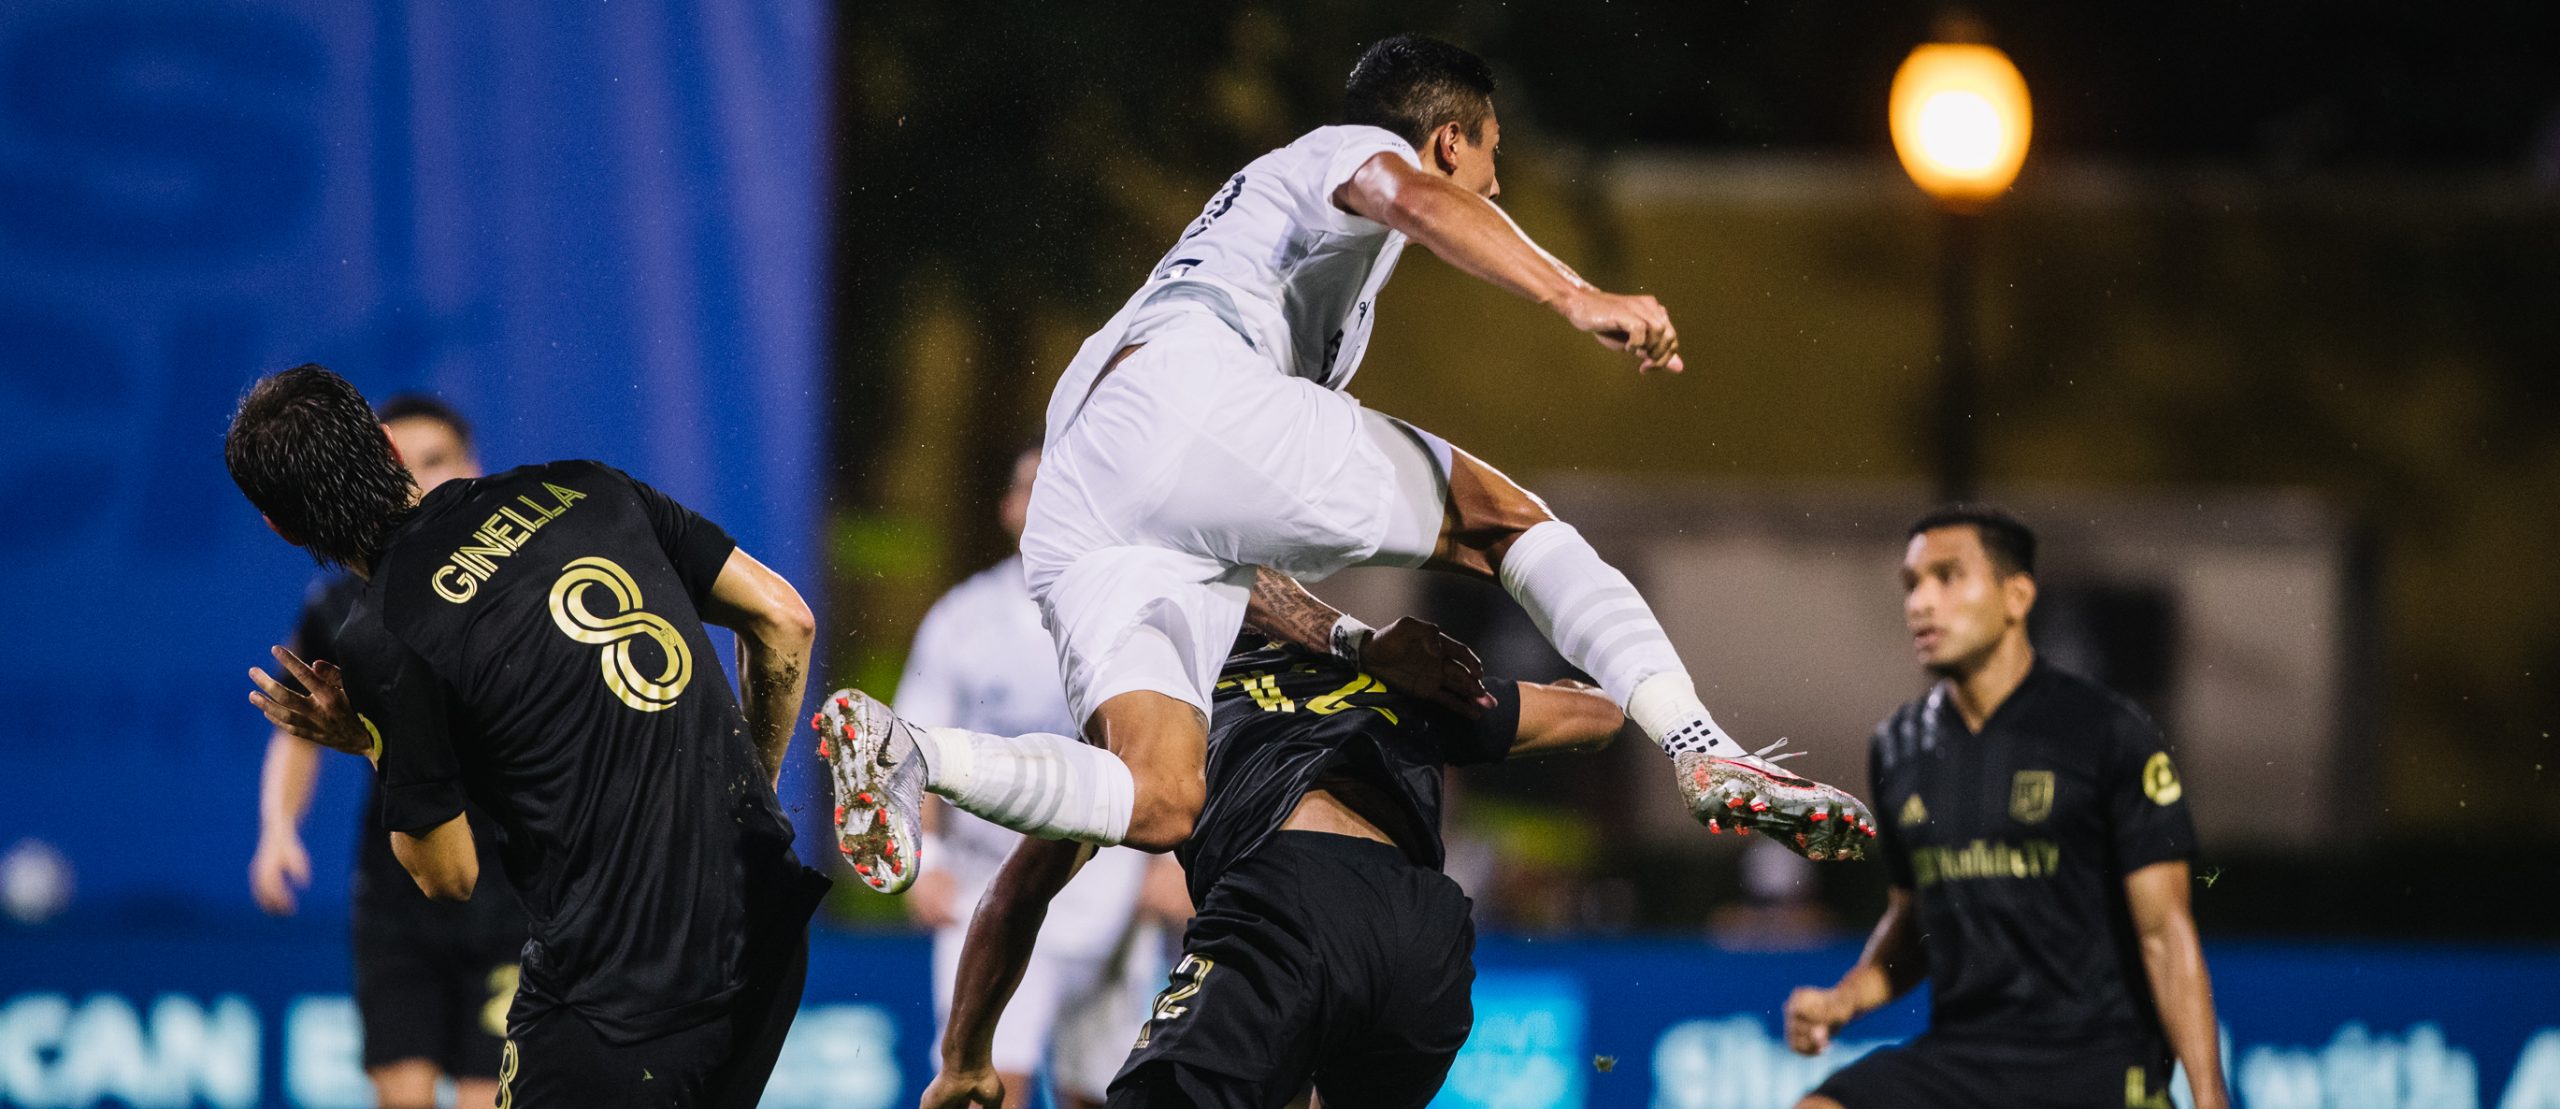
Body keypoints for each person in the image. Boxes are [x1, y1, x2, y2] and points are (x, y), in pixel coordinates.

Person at [819, 32, 1870, 902]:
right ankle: (1700, 744)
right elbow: (1403, 192)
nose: (1495, 182)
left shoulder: (1269, 255)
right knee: (1503, 519)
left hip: (1090, 490)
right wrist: (1573, 294)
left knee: (1160, 795)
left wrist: (1356, 638)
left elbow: (1224, 515)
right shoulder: (1346, 152)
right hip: (1181, 390)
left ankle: (915, 752)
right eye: (1492, 157)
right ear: (1449, 138)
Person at [228, 364, 830, 1108]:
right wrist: (751, 798)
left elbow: (448, 875)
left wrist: (370, 740)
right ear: (388, 446)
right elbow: (784, 619)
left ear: (279, 526)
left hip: (618, 994)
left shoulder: (383, 634)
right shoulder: (587, 486)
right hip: (764, 924)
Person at [921, 628, 1637, 1109]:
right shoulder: (1389, 676)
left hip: (1284, 907)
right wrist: (1586, 685)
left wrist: (963, 1057)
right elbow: (1597, 717)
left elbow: (1016, 893)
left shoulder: (1152, 715)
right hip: (1425, 936)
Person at [1781, 507, 2229, 1109]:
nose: (1920, 602)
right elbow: (1913, 922)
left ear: (2016, 596)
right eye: (1912, 584)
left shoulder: (2105, 731)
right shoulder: (1897, 747)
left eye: (1947, 577)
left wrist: (2209, 1097)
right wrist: (1846, 999)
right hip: (1964, 1060)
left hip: (2094, 1059)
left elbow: (2164, 935)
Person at [247, 395, 527, 1109]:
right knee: (401, 1097)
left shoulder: (518, 594)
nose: (419, 481)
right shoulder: (340, 610)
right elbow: (295, 728)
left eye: (437, 462)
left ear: (473, 467)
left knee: (484, 1099)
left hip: (512, 888)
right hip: (398, 888)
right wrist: (278, 830)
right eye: (401, 465)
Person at [896, 448, 1180, 1109]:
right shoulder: (961, 620)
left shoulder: (1137, 613)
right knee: (982, 1089)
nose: (1049, 499)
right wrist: (925, 858)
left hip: (1113, 894)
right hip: (989, 889)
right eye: (1033, 486)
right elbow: (910, 749)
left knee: (1109, 1093)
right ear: (1009, 507)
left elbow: (1175, 744)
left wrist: (1171, 860)